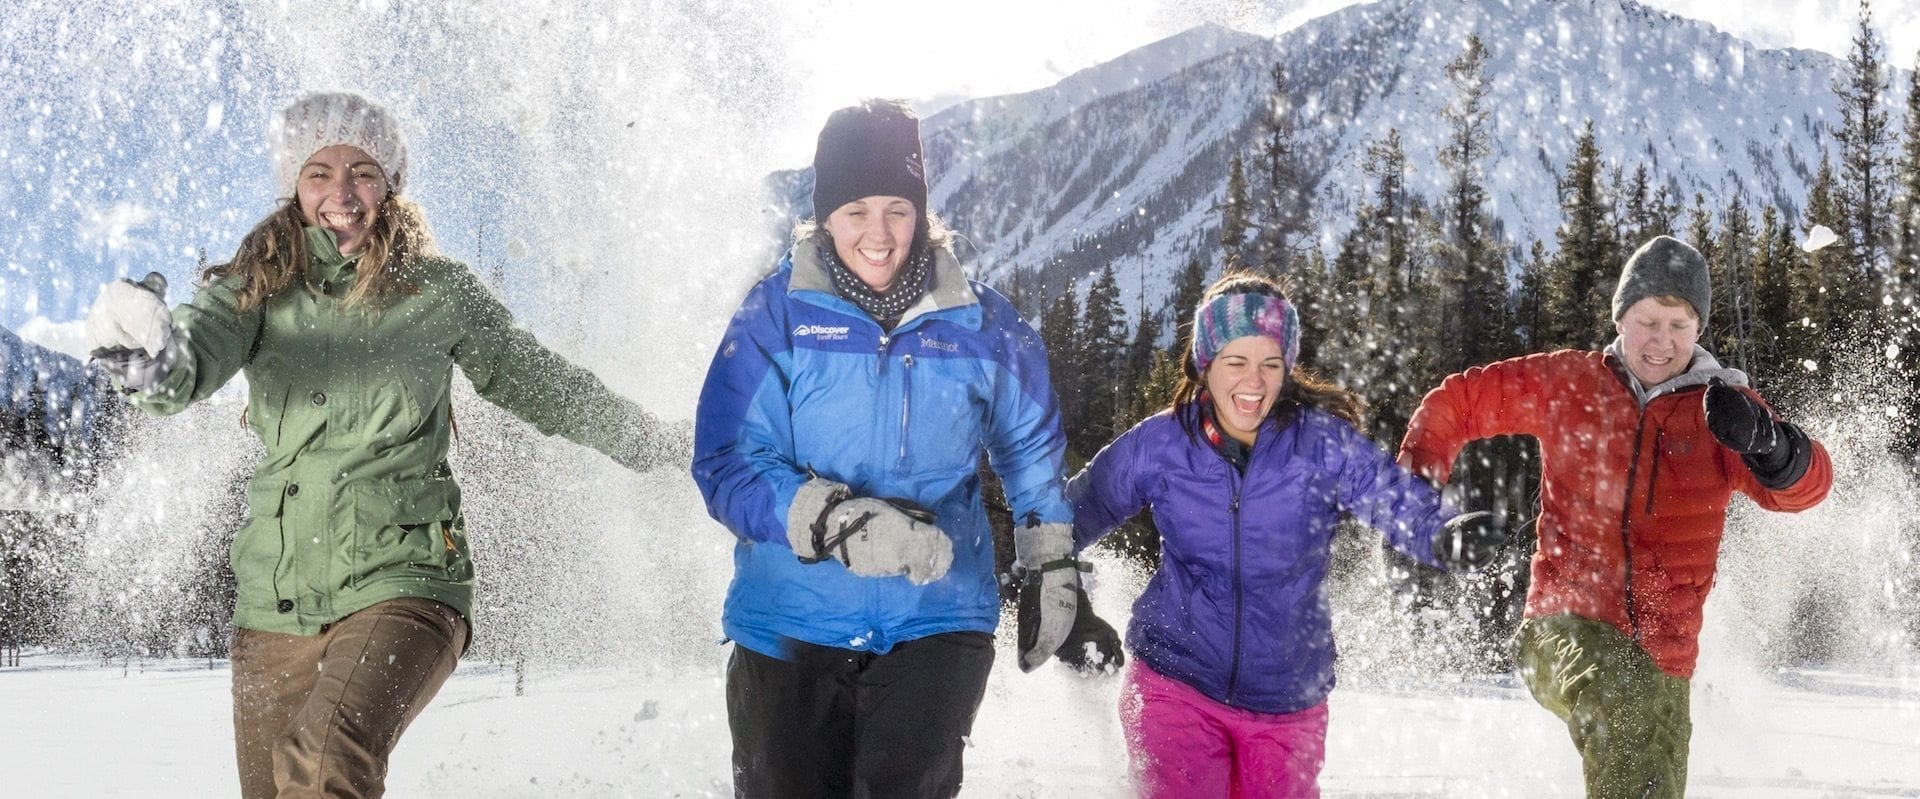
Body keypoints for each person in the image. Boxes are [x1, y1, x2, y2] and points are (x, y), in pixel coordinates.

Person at [82, 91, 677, 798]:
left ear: (390, 183)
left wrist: (647, 438)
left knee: (328, 758)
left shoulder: (437, 292)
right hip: (276, 604)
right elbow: (189, 358)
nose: (342, 191)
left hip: (406, 577)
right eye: (319, 172)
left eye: (362, 170)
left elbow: (539, 379)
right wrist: (153, 360)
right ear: (294, 189)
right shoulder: (255, 289)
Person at [691, 98, 1085, 798]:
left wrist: (1049, 557)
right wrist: (833, 522)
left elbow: (1028, 444)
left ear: (922, 211)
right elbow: (726, 460)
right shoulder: (774, 316)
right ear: (824, 216)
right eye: (856, 211)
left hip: (938, 615)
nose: (879, 233)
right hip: (789, 622)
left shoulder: (981, 323)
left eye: (897, 209)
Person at [1397, 235, 1833, 798]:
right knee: (1622, 703)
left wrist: (1773, 447)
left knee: (1650, 778)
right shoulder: (1569, 383)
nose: (1662, 341)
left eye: (1679, 325)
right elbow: (1456, 402)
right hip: (1559, 628)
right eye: (1649, 320)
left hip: (1665, 662)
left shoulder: (1723, 412)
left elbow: (1807, 490)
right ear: (1622, 316)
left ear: (1698, 330)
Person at [1068, 271, 1505, 798]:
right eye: (1236, 362)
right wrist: (1045, 575)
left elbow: (1388, 493)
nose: (1253, 383)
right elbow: (1074, 513)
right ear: (1205, 365)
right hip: (1175, 680)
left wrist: (1441, 535)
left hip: (1287, 699)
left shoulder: (1319, 447)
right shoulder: (1161, 445)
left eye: (1270, 364)